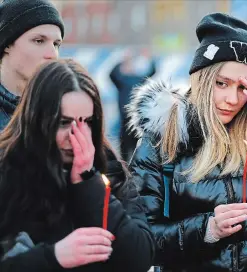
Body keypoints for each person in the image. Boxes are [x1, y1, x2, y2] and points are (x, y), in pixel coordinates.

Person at [127, 13, 247, 271]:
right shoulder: (162, 138)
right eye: (222, 83)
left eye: (243, 87)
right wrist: (206, 229)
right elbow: (141, 241)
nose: (232, 99)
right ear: (202, 80)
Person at [0, 59, 155, 271]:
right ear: (37, 119)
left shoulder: (109, 168)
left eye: (88, 122)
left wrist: (88, 182)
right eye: (64, 122)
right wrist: (52, 257)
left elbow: (138, 259)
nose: (76, 136)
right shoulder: (8, 169)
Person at [0, 0, 65, 131]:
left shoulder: (64, 109)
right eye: (39, 41)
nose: (53, 54)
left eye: (56, 44)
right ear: (7, 43)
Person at [109, 48, 157, 162]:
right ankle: (125, 170)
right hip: (125, 121)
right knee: (125, 151)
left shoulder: (138, 79)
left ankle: (134, 170)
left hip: (137, 121)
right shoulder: (121, 80)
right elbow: (112, 74)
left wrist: (149, 59)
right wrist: (124, 61)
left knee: (137, 151)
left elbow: (152, 72)